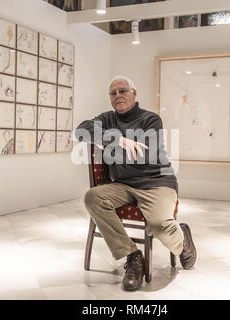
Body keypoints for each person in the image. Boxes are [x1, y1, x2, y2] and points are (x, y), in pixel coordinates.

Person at [74, 75, 197, 291]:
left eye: (123, 91)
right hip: (123, 184)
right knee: (92, 197)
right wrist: (115, 139)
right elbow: (81, 130)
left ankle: (182, 238)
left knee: (158, 226)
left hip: (157, 183)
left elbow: (141, 156)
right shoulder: (107, 118)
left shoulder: (151, 119)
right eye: (113, 93)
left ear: (134, 93)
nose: (118, 96)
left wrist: (103, 139)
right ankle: (132, 257)